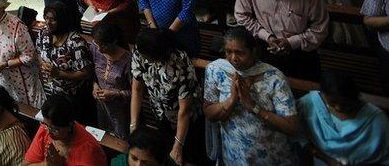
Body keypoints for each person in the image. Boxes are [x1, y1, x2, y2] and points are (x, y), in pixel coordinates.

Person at [202, 26, 300, 165]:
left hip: (271, 157)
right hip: (235, 157)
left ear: (253, 52)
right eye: (228, 52)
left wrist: (252, 106)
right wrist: (232, 100)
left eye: (239, 53)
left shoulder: (274, 78)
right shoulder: (216, 70)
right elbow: (209, 113)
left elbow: (292, 128)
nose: (233, 58)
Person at [234, 0, 328, 81]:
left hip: (300, 50)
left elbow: (320, 28)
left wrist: (291, 42)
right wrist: (267, 36)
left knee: (306, 88)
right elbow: (242, 17)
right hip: (265, 46)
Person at [296, 71, 389, 166]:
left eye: (345, 103)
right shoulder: (309, 105)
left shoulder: (377, 121)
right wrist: (328, 160)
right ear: (323, 95)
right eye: (332, 103)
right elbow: (299, 138)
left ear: (354, 97)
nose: (338, 108)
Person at [129, 29, 201, 165]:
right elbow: (137, 89)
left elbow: (184, 110)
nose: (143, 59)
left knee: (188, 154)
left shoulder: (180, 62)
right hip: (160, 112)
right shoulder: (140, 51)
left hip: (184, 117)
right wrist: (133, 124)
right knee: (165, 149)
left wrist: (178, 146)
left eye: (147, 58)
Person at [0, 0, 44, 108]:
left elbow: (29, 56)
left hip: (22, 79)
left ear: (1, 6)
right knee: (8, 106)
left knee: (29, 109)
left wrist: (5, 64)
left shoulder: (17, 26)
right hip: (2, 78)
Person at [23, 94, 108, 165]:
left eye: (55, 129)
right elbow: (26, 164)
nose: (48, 133)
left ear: (70, 125)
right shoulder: (45, 128)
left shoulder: (90, 152)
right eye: (45, 125)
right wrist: (46, 164)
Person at [36, 1, 91, 103]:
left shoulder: (75, 42)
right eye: (46, 18)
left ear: (62, 21)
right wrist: (43, 64)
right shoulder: (43, 33)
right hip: (53, 90)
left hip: (74, 95)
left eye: (52, 19)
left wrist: (58, 73)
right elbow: (39, 52)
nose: (47, 22)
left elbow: (85, 73)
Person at [88, 22, 132, 139]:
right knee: (104, 135)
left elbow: (136, 93)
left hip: (122, 111)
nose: (100, 50)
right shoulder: (95, 49)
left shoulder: (128, 61)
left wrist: (115, 94)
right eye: (98, 45)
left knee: (121, 139)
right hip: (102, 106)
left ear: (114, 41)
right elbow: (91, 71)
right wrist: (94, 85)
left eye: (104, 46)